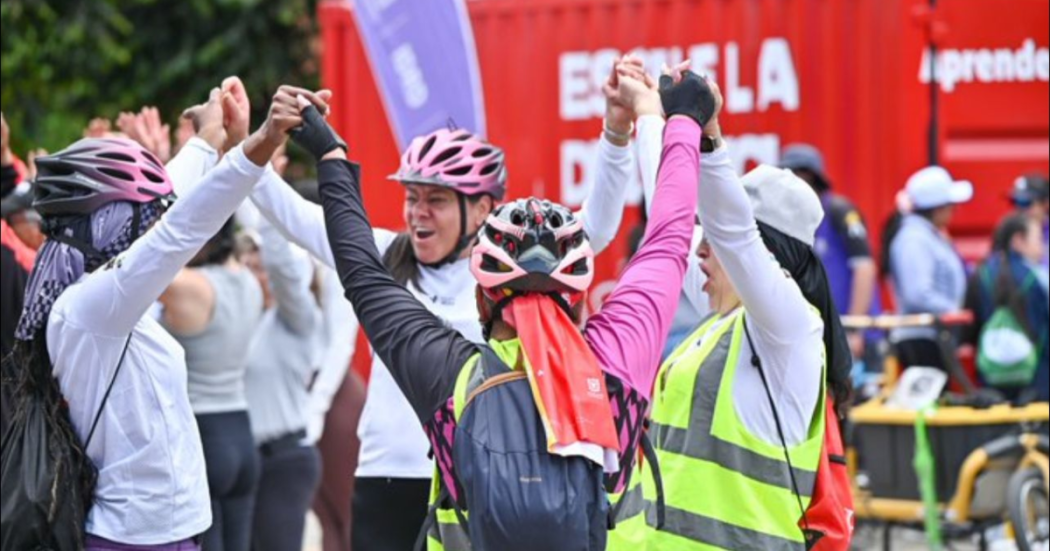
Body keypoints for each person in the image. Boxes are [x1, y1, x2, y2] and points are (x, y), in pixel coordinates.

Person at [247, 59, 642, 551]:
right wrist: (251, 143)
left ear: (480, 208)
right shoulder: (385, 253)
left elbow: (597, 226)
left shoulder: (506, 277)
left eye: (435, 199)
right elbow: (294, 218)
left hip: (469, 479)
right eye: (412, 197)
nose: (417, 212)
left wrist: (616, 130)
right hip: (384, 477)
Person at [6, 82, 306, 550]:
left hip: (160, 533)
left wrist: (207, 139)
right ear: (106, 223)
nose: (147, 222)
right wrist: (262, 142)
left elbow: (166, 205)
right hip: (137, 540)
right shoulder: (94, 305)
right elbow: (176, 230)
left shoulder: (98, 293)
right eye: (135, 216)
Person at [609, 74, 851, 551]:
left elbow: (734, 233)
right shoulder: (722, 320)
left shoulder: (792, 331)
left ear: (768, 258)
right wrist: (650, 115)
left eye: (712, 240)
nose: (701, 249)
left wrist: (708, 132)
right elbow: (670, 211)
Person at [159, 80, 266, 551]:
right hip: (242, 433)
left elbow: (145, 250)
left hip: (204, 437)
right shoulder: (245, 278)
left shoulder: (189, 288)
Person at [240, 214, 324, 551]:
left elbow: (282, 268)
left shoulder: (297, 320)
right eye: (250, 267)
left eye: (262, 269)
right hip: (242, 461)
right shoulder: (239, 318)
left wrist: (263, 186)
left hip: (284, 461)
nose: (257, 277)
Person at [781, 144, 880, 364]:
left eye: (803, 178)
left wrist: (855, 329)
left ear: (815, 180)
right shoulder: (786, 221)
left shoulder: (840, 212)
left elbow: (865, 268)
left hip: (853, 338)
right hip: (816, 337)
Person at [889, 166, 973, 370]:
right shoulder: (914, 240)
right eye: (951, 205)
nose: (955, 210)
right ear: (937, 208)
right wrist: (953, 311)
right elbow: (917, 293)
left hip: (934, 338)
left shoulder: (927, 237)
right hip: (922, 342)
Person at [965, 214, 1049, 403]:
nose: (1042, 247)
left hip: (991, 380)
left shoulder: (981, 273)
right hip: (1036, 382)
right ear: (1018, 240)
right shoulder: (1037, 278)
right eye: (1037, 239)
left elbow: (969, 329)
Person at [1010, 173, 1050, 271]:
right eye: (1015, 202)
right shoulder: (1010, 234)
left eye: (1025, 203)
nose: (1019, 209)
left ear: (1046, 204)